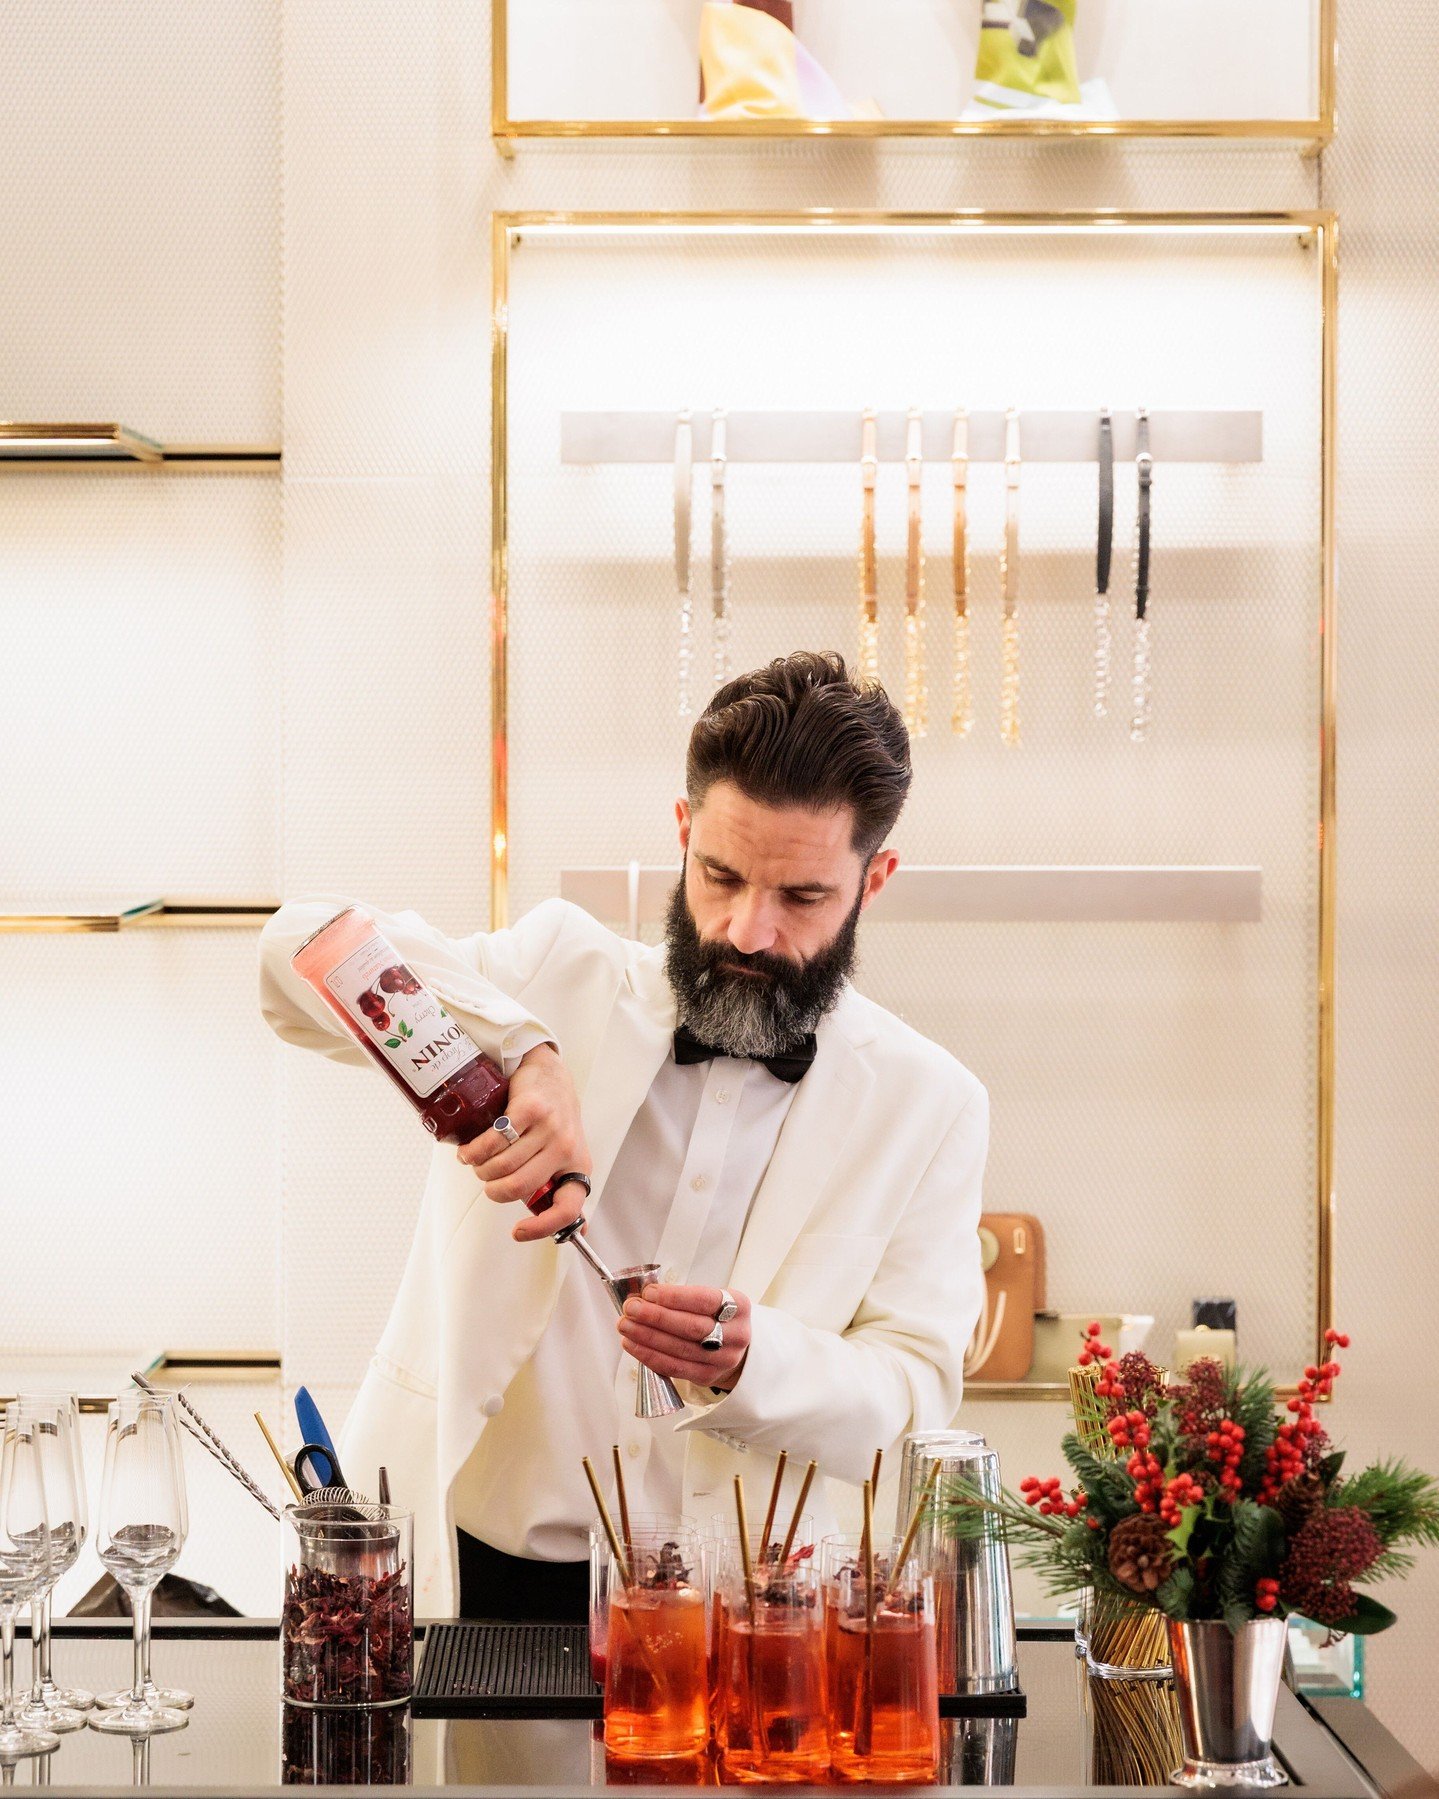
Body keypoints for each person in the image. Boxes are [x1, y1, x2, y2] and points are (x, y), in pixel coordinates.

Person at [259, 652, 988, 1618]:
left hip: (735, 1616)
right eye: (719, 874)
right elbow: (292, 954)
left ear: (874, 877)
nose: (747, 929)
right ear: (682, 832)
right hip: (463, 1578)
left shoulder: (928, 1102)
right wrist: (521, 1048)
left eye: (801, 897)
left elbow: (915, 1393)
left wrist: (750, 1360)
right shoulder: (554, 972)